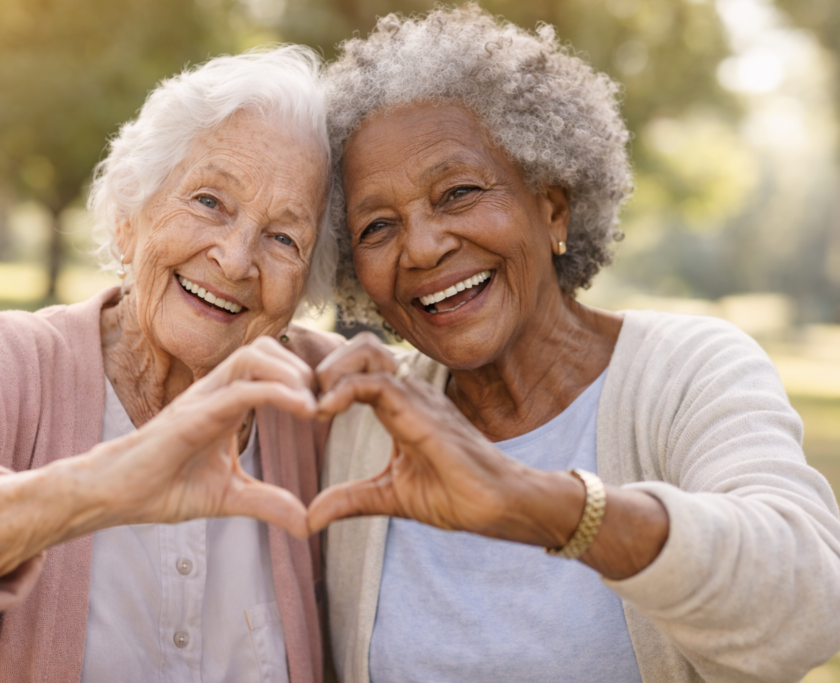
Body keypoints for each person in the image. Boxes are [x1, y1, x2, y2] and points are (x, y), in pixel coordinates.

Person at [306, 7, 840, 683]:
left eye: (459, 192)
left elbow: (809, 606)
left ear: (552, 206)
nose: (423, 246)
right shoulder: (361, 421)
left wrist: (542, 504)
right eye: (377, 226)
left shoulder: (689, 370)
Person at [0, 46, 342, 683]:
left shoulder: (332, 403)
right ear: (128, 217)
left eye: (283, 238)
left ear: (304, 289)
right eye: (209, 201)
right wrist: (90, 491)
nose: (235, 260)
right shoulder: (0, 365)